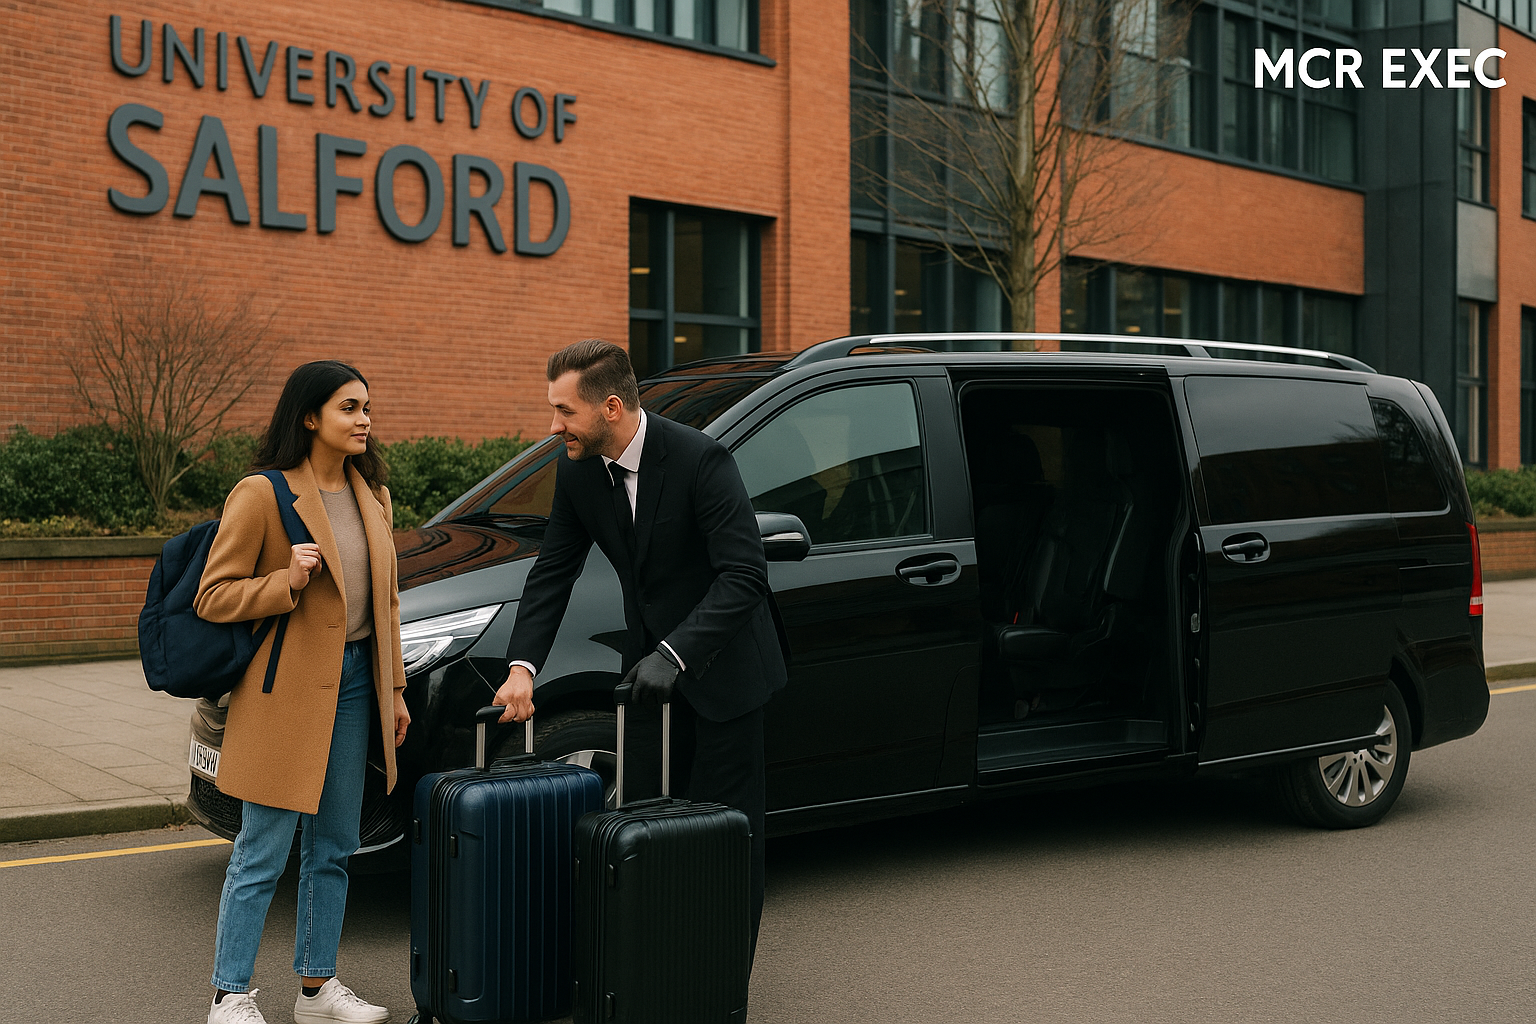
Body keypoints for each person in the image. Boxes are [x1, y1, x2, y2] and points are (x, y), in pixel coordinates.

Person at [494, 338, 786, 957]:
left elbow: (744, 576)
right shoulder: (577, 471)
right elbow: (553, 571)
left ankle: (720, 983)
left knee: (724, 838)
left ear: (609, 408)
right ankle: (666, 972)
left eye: (564, 411)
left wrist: (675, 653)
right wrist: (523, 667)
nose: (553, 426)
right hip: (650, 686)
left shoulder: (701, 460)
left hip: (724, 679)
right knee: (656, 828)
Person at [195, 361, 410, 1024]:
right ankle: (229, 995)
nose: (365, 419)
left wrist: (394, 688)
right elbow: (212, 595)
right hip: (282, 691)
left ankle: (316, 992)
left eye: (367, 407)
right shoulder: (263, 495)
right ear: (310, 416)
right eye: (350, 407)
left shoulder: (371, 493)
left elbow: (389, 603)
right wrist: (285, 580)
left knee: (334, 844)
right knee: (264, 846)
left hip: (353, 686)